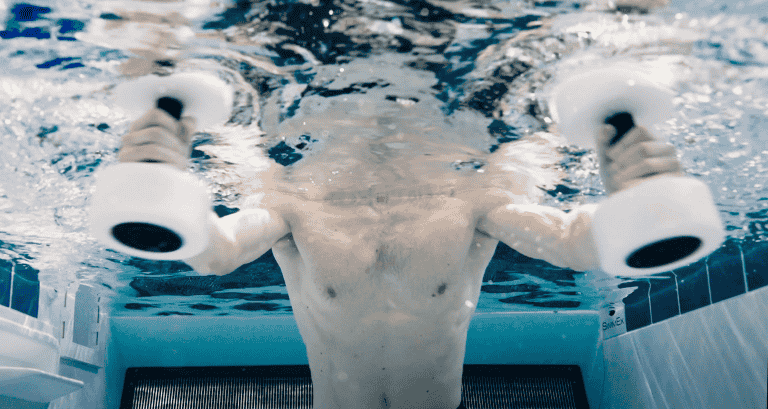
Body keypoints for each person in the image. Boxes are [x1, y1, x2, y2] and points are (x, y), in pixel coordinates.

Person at [118, 90, 682, 409]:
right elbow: (215, 253)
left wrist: (631, 196)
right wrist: (160, 181)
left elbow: (569, 243)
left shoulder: (469, 197)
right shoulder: (297, 202)